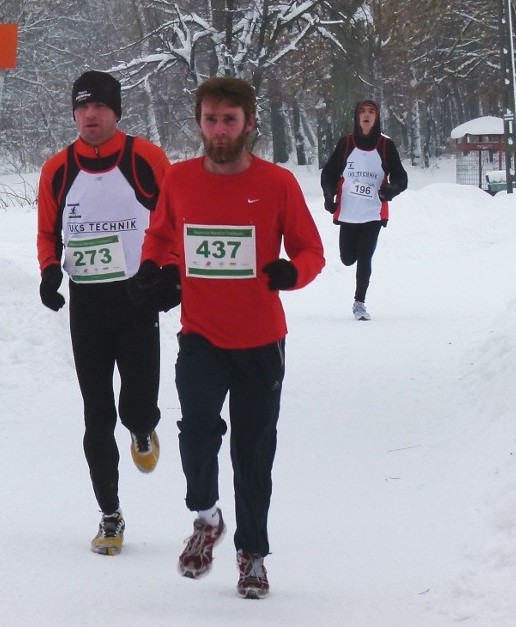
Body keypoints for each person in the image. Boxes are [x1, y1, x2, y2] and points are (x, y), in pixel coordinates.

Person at [129, 77, 325, 599]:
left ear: (249, 123)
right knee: (196, 431)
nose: (219, 130)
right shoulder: (181, 179)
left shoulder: (278, 183)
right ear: (199, 123)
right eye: (211, 120)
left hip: (261, 341)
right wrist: (153, 266)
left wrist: (293, 273)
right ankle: (207, 516)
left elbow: (312, 251)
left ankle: (252, 555)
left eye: (229, 120)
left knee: (254, 451)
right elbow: (163, 232)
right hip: (201, 336)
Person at [37, 70, 179, 556]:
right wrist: (49, 271)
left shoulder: (146, 159)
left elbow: (175, 218)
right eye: (81, 107)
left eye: (98, 106)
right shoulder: (57, 168)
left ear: (116, 112)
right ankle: (110, 515)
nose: (90, 115)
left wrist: (171, 274)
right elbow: (47, 233)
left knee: (134, 408)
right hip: (88, 305)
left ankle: (142, 428)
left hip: (138, 299)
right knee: (96, 415)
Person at [321, 99, 408, 320]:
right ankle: (358, 292)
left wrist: (390, 190)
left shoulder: (385, 145)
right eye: (363, 112)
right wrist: (328, 195)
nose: (367, 115)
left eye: (371, 112)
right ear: (357, 117)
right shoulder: (347, 143)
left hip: (373, 212)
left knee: (364, 256)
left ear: (377, 117)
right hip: (349, 211)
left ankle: (359, 303)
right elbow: (329, 173)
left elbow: (401, 177)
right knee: (348, 258)